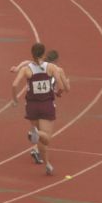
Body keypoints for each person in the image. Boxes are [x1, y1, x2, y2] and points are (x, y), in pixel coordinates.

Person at [11, 42, 65, 175]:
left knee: (41, 140)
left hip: (32, 106)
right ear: (43, 53)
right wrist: (58, 93)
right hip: (46, 105)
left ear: (32, 54)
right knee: (46, 138)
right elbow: (61, 86)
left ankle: (47, 164)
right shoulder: (51, 67)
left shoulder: (27, 69)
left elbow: (14, 85)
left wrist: (15, 100)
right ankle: (37, 133)